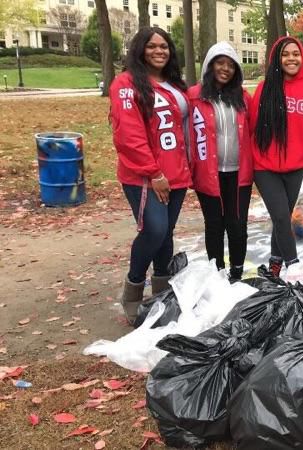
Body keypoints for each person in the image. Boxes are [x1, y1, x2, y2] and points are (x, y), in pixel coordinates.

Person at [109, 27, 191, 324]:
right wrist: (154, 172)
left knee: (166, 233)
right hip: (146, 176)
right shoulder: (126, 84)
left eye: (165, 46)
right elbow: (129, 135)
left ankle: (161, 291)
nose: (160, 51)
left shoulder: (174, 85)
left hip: (177, 173)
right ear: (140, 49)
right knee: (154, 229)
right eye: (152, 46)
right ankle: (133, 289)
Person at [249, 36, 303, 278]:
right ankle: (294, 266)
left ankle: (274, 268)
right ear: (276, 59)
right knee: (282, 217)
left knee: (280, 219)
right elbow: (252, 125)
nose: (291, 58)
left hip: (294, 168)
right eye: (285, 54)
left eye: (295, 53)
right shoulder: (264, 88)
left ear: (301, 57)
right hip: (264, 166)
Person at [187, 41, 253, 282]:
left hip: (239, 174)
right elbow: (186, 134)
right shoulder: (194, 96)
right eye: (220, 63)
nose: (225, 68)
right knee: (214, 225)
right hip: (208, 173)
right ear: (210, 65)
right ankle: (217, 273)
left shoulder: (244, 98)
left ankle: (237, 272)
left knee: (237, 226)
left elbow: (255, 132)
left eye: (231, 65)